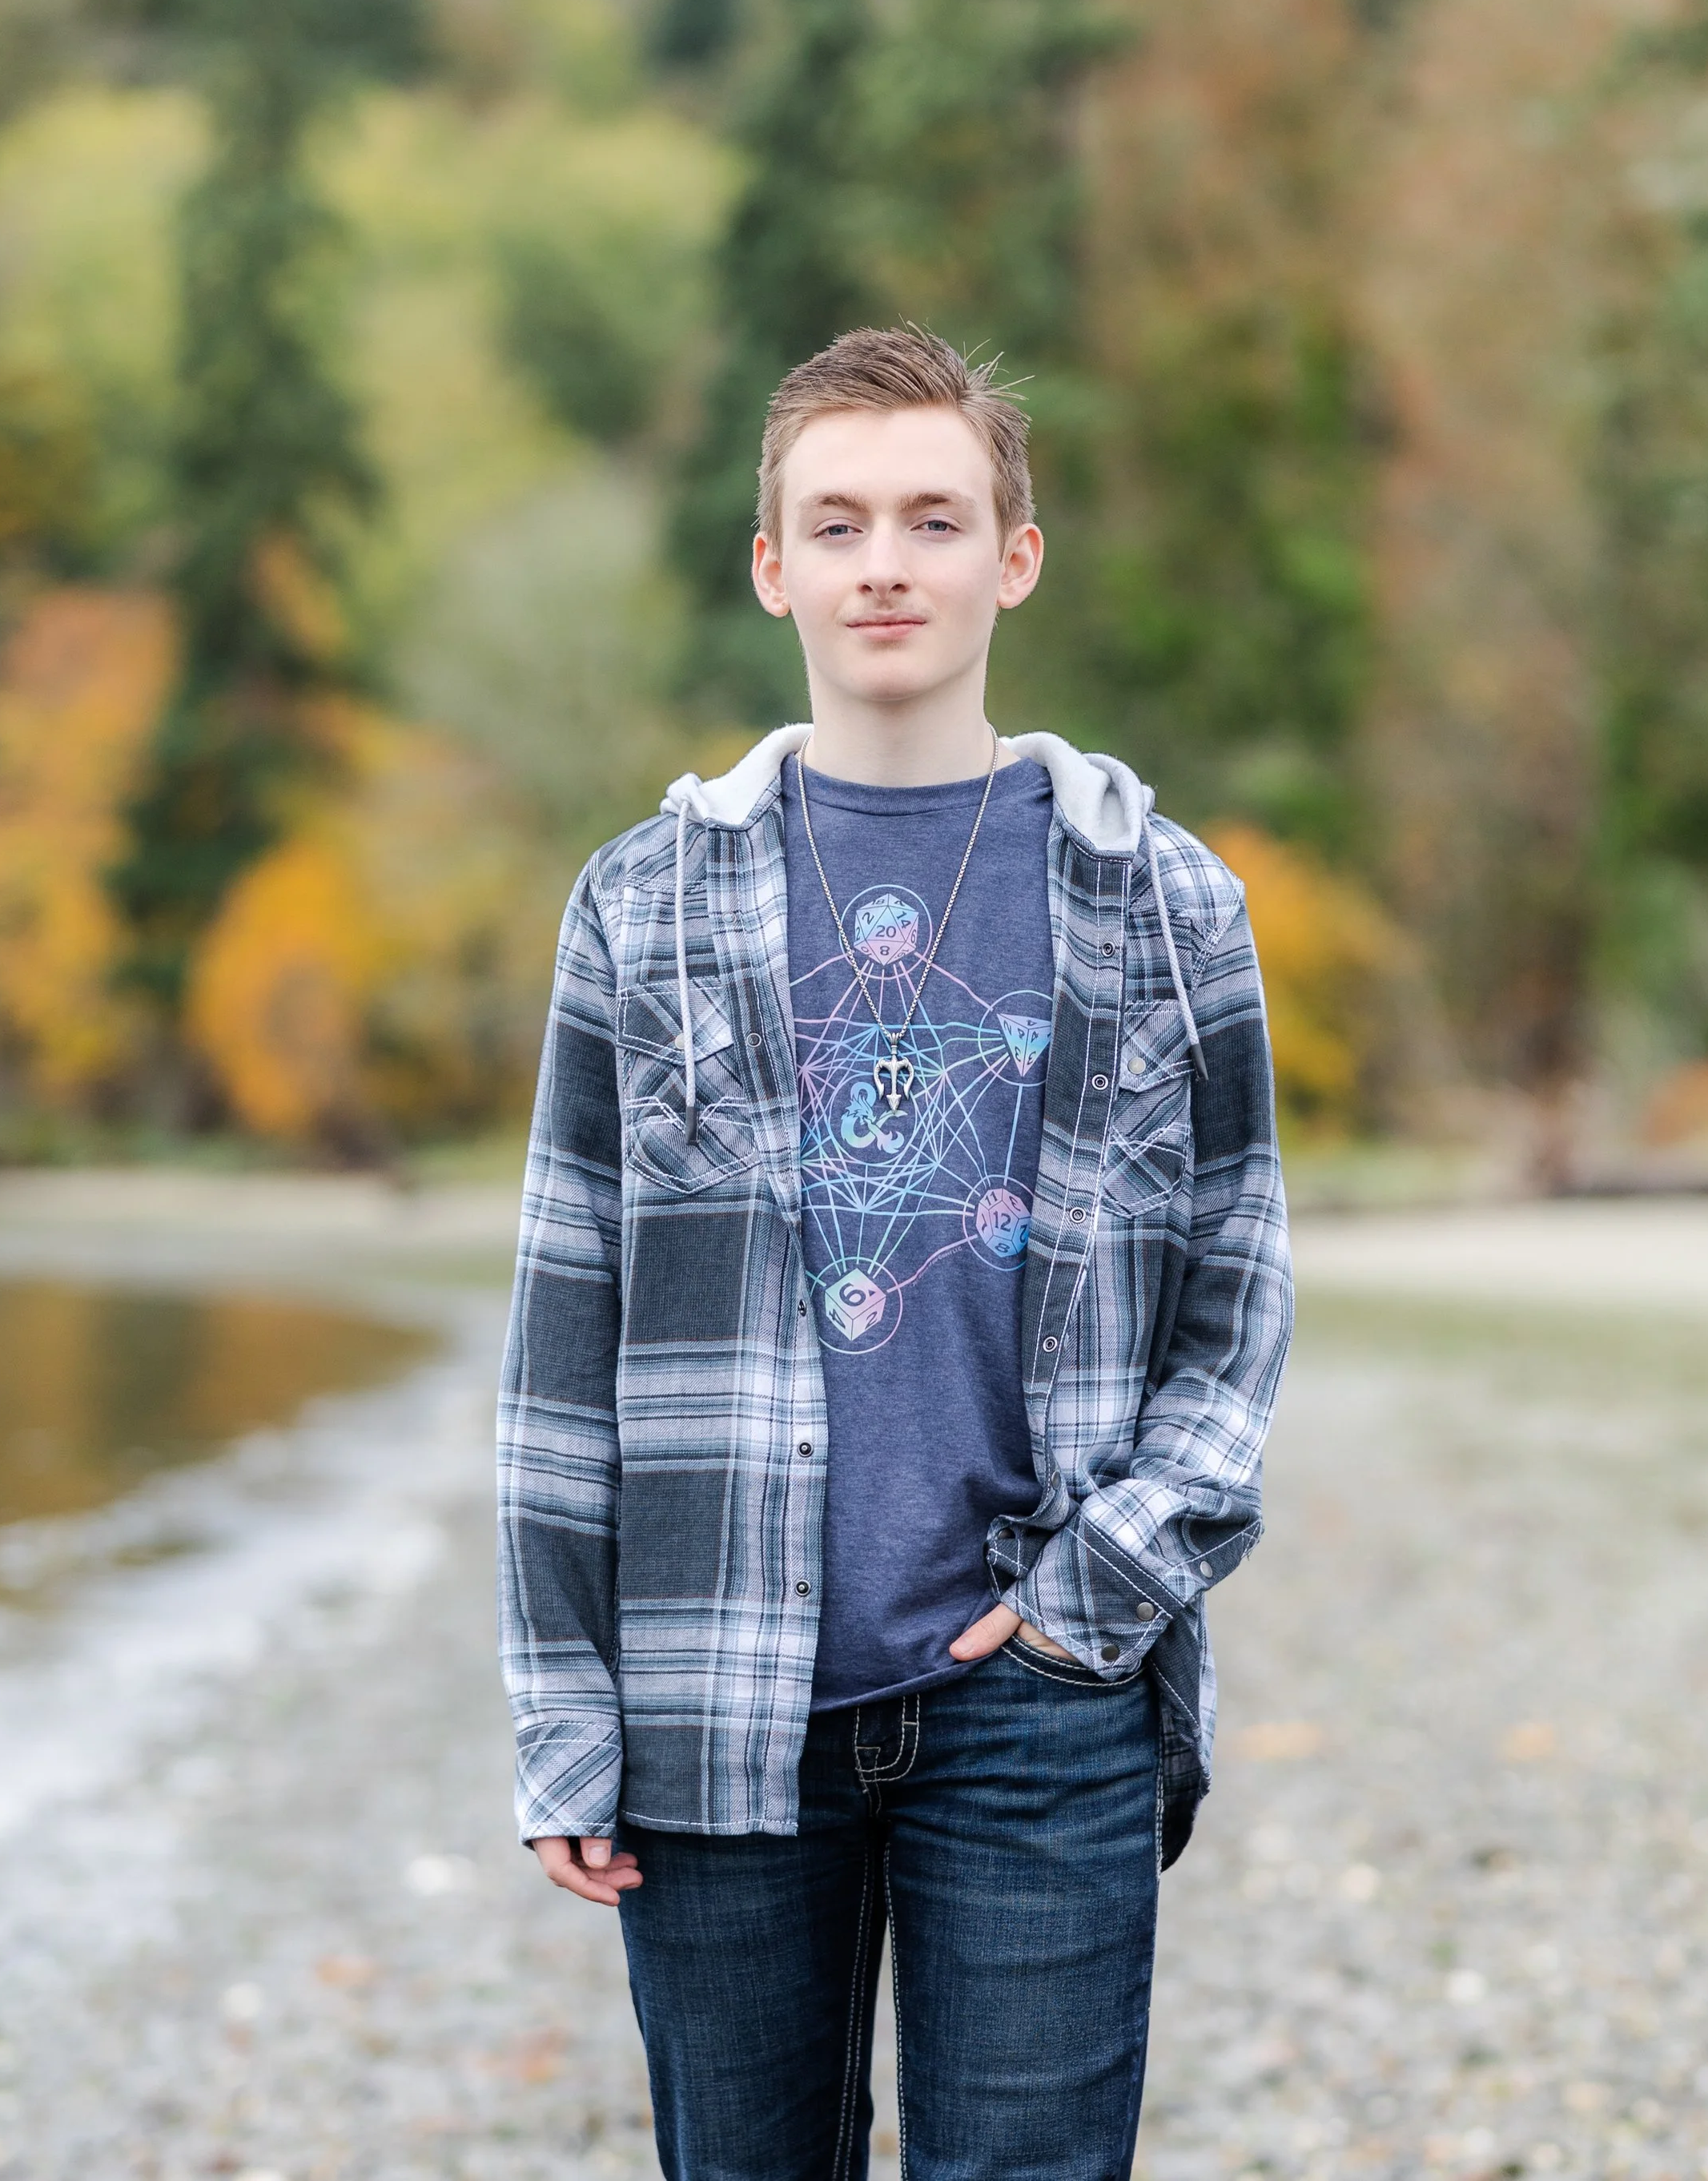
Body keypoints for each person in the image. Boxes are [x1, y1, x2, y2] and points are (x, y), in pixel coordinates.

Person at [498, 325, 1292, 2181]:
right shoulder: (643, 904)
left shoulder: (1164, 901)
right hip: (716, 1701)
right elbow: (561, 1336)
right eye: (835, 523)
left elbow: (1236, 1293)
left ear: (1012, 554)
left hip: (1040, 1692)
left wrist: (1100, 1596)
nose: (884, 563)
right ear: (769, 566)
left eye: (933, 518)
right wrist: (562, 1705)